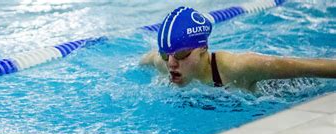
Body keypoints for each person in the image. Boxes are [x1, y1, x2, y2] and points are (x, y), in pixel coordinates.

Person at [140, 6, 336, 91]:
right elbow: (143, 61)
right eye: (166, 54)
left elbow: (309, 67)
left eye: (182, 54)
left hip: (287, 88)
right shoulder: (164, 63)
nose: (172, 63)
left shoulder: (239, 67)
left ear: (203, 48)